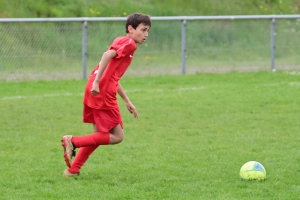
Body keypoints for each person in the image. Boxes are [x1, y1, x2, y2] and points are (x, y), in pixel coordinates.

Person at [61, 13, 151, 177]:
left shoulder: (121, 40)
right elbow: (106, 55)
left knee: (99, 136)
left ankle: (73, 170)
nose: (146, 35)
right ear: (130, 29)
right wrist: (97, 82)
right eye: (143, 30)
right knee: (117, 136)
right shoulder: (130, 43)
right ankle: (73, 141)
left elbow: (113, 76)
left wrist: (127, 101)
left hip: (96, 87)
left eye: (148, 31)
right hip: (102, 91)